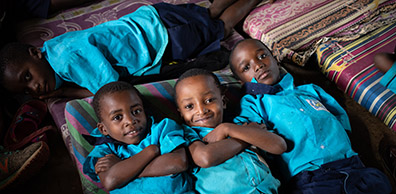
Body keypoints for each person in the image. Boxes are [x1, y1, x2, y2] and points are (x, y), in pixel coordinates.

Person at [229, 38, 396, 194]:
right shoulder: (254, 104)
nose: (258, 65)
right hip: (314, 183)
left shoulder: (311, 90)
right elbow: (250, 134)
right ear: (239, 79)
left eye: (262, 56)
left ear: (273, 57)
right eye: (246, 67)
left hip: (355, 170)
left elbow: (341, 124)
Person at [174, 68, 352, 194]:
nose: (201, 110)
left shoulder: (242, 123)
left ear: (223, 100)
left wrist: (228, 129)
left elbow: (278, 145)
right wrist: (244, 137)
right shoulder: (187, 136)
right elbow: (205, 157)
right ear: (180, 113)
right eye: (189, 106)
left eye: (209, 100)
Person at [0, 0, 262, 100]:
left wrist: (66, 92)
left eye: (27, 76)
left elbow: (110, 90)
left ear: (35, 54)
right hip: (152, 18)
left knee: (222, 27)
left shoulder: (68, 61)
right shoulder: (52, 50)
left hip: (163, 37)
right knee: (209, 12)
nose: (33, 87)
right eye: (26, 89)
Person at [82, 81, 208, 194]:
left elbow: (177, 162)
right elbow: (111, 179)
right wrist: (150, 153)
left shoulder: (162, 129)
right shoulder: (103, 150)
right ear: (103, 129)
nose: (130, 120)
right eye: (117, 117)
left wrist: (126, 167)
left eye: (136, 111)